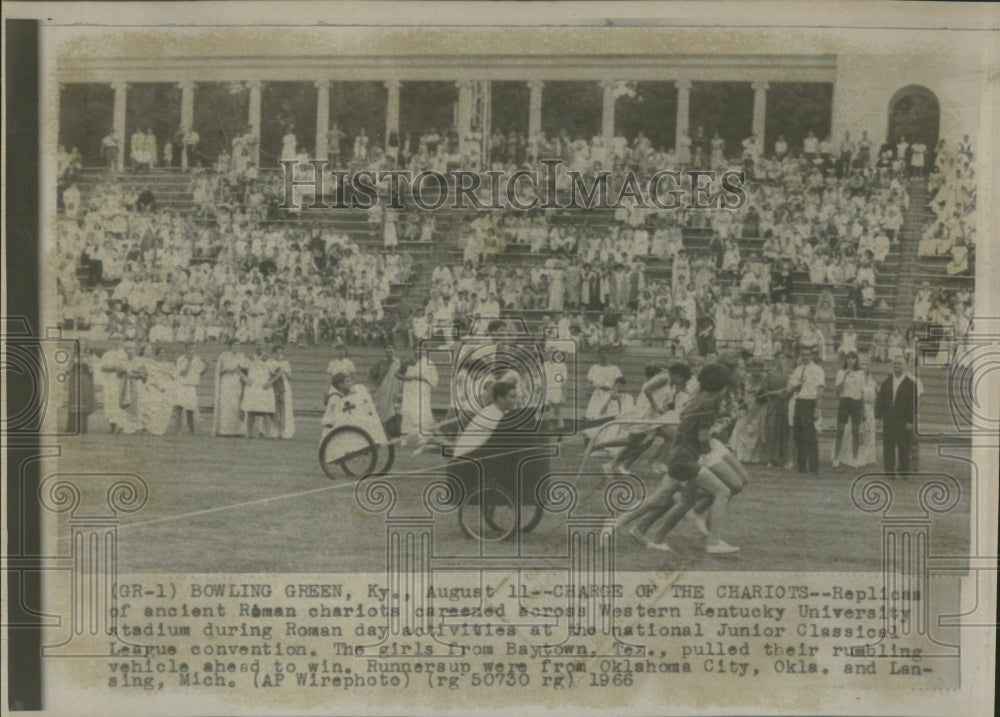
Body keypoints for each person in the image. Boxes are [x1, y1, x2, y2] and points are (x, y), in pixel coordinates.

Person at [874, 355, 917, 476]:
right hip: (888, 419)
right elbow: (880, 400)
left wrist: (910, 421)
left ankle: (904, 472)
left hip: (903, 420)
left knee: (903, 447)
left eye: (899, 363)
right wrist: (878, 417)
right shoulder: (887, 382)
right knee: (888, 446)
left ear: (905, 366)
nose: (897, 366)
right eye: (895, 364)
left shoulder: (911, 384)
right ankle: (889, 472)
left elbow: (913, 405)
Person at [787, 348, 825, 474]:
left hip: (810, 403)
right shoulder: (797, 370)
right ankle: (802, 466)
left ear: (812, 355)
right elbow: (791, 388)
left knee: (810, 435)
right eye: (803, 354)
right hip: (799, 402)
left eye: (808, 355)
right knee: (798, 435)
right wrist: (794, 386)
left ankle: (814, 467)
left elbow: (820, 390)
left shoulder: (817, 370)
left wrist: (818, 408)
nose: (805, 357)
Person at [832, 351, 864, 468]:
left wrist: (863, 409)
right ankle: (836, 458)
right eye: (848, 358)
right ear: (845, 360)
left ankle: (855, 459)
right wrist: (845, 374)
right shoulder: (841, 372)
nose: (850, 361)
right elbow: (837, 390)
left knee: (856, 431)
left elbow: (862, 392)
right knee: (840, 430)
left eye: (853, 358)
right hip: (845, 400)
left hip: (856, 402)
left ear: (856, 360)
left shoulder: (860, 373)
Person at [213, 338, 248, 437]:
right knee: (226, 404)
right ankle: (225, 431)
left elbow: (246, 369)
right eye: (235, 344)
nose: (237, 346)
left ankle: (238, 431)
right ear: (230, 346)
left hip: (237, 382)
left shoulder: (242, 356)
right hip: (226, 382)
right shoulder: (223, 355)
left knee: (236, 405)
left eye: (239, 345)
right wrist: (228, 370)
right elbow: (218, 371)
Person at [241, 345, 277, 438]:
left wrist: (270, 382)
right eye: (259, 354)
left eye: (262, 354)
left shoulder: (269, 363)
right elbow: (238, 367)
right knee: (250, 412)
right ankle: (248, 433)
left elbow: (279, 371)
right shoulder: (250, 362)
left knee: (265, 412)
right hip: (252, 388)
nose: (260, 356)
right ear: (255, 355)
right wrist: (245, 378)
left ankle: (268, 433)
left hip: (264, 388)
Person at [370, 343, 404, 438]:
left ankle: (395, 433)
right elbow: (370, 373)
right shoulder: (381, 362)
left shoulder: (398, 363)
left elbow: (401, 376)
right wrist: (376, 384)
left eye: (392, 348)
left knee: (395, 410)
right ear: (385, 350)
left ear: (395, 350)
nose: (390, 349)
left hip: (395, 390)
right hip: (383, 390)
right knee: (382, 410)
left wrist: (400, 389)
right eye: (388, 347)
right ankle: (381, 433)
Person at [171, 344, 205, 435]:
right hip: (181, 385)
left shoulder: (198, 360)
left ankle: (192, 431)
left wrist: (206, 365)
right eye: (190, 349)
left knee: (190, 410)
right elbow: (182, 374)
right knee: (179, 409)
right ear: (186, 349)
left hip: (191, 387)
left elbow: (201, 372)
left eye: (194, 349)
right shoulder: (181, 359)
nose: (192, 351)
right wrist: (189, 362)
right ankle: (178, 430)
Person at [66, 344, 95, 433]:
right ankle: (72, 427)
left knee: (84, 403)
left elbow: (92, 371)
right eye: (80, 345)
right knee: (74, 403)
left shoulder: (89, 357)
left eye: (83, 345)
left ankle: (83, 428)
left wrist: (88, 364)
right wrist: (73, 363)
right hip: (75, 380)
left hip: (85, 381)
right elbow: (67, 371)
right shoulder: (73, 356)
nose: (82, 347)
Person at [268, 345, 295, 439]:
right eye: (277, 352)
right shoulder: (270, 362)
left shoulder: (286, 363)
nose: (279, 354)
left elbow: (290, 377)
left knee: (285, 407)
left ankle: (284, 431)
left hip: (284, 386)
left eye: (281, 352)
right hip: (273, 385)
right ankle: (273, 431)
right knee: (273, 407)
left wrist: (285, 372)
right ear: (273, 353)